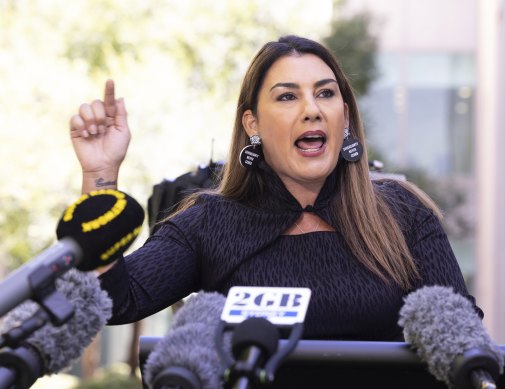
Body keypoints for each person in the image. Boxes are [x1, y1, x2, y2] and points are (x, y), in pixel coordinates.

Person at [69, 35, 482, 341]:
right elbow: (115, 301)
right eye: (287, 97)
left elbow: (460, 334)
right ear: (253, 124)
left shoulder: (403, 213)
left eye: (326, 93)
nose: (312, 110)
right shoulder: (208, 222)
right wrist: (100, 175)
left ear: (345, 116)